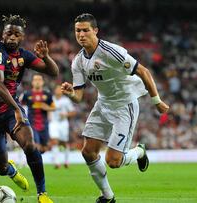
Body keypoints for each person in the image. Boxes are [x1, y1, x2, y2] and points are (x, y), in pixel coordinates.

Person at [61, 13, 169, 202]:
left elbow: (143, 71)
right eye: (78, 30)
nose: (81, 34)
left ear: (95, 31)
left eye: (86, 30)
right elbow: (78, 97)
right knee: (88, 152)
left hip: (123, 106)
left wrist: (156, 101)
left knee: (113, 162)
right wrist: (71, 93)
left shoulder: (111, 52)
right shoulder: (78, 61)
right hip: (102, 104)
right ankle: (108, 197)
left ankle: (139, 152)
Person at [0, 14, 58, 203]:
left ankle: (42, 194)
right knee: (0, 167)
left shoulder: (24, 55)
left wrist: (46, 57)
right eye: (9, 33)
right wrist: (17, 109)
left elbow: (53, 72)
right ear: (3, 34)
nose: (12, 37)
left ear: (22, 37)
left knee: (30, 146)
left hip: (10, 111)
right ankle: (11, 170)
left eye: (16, 34)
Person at [20, 74, 55, 153]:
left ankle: (37, 158)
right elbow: (19, 106)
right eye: (35, 80)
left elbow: (53, 107)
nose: (37, 82)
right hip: (32, 124)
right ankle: (35, 162)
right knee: (36, 146)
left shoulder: (47, 94)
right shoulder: (26, 94)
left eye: (39, 80)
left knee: (44, 148)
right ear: (32, 82)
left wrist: (46, 107)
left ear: (42, 82)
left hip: (44, 125)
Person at [48, 85, 76, 169]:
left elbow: (73, 112)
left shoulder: (66, 100)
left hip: (63, 123)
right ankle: (57, 162)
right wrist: (48, 114)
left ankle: (66, 161)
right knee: (54, 141)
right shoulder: (50, 99)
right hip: (53, 123)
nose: (58, 91)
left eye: (59, 90)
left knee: (64, 143)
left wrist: (66, 114)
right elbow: (47, 109)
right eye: (56, 89)